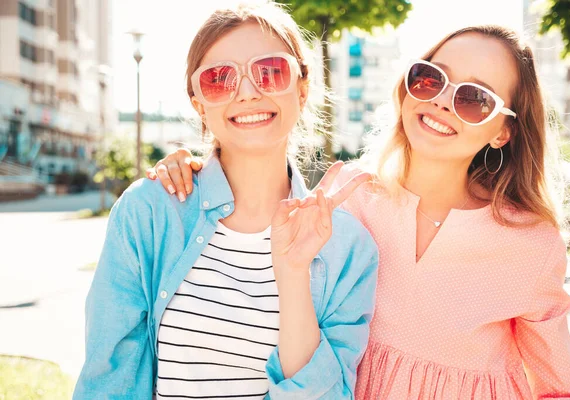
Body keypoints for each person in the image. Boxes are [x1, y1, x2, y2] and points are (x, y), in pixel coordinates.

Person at [149, 25, 570, 399]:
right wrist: (196, 164)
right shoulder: (347, 195)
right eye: (431, 79)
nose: (442, 102)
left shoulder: (529, 243)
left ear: (503, 131)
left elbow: (558, 388)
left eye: (473, 98)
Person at [73, 2, 379, 399]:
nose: (248, 92)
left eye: (270, 72)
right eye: (220, 79)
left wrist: (293, 273)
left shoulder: (349, 249)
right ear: (199, 102)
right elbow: (109, 376)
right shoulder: (149, 212)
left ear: (301, 90)